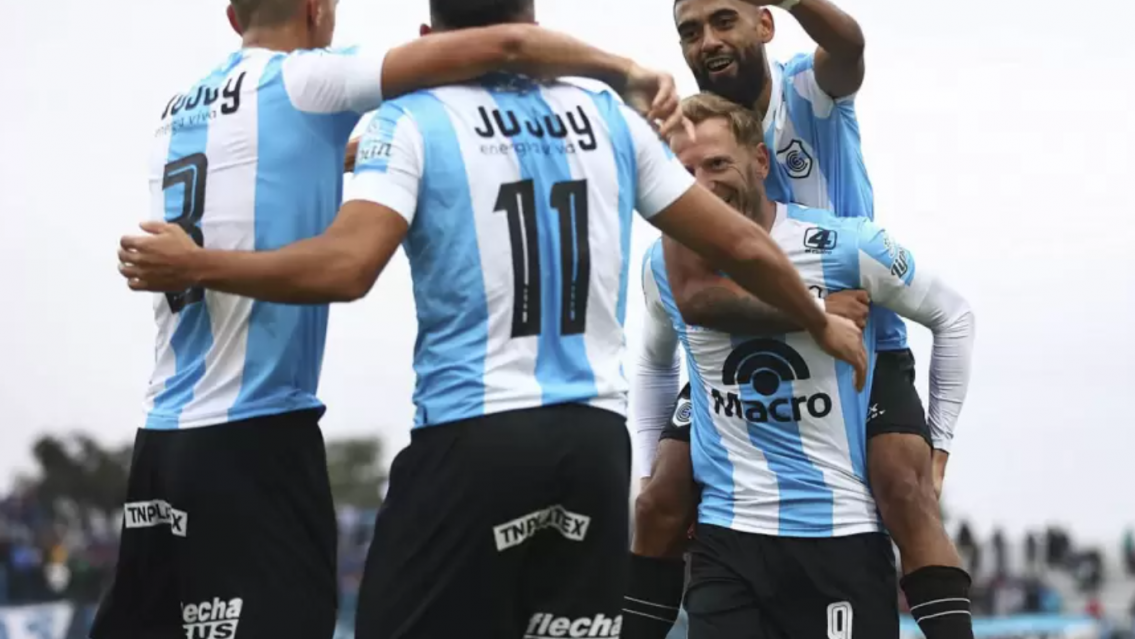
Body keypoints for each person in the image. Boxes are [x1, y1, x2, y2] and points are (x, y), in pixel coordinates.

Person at [117, 1, 870, 636]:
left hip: (471, 440)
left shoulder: (407, 119)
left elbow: (348, 266)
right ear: (535, 19)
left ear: (429, 40)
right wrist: (816, 318)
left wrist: (199, 262)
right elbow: (739, 240)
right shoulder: (608, 117)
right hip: (591, 449)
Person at [625, 2, 974, 638]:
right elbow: (677, 322)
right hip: (738, 339)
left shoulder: (804, 90)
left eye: (723, 20)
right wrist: (809, 312)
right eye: (690, 31)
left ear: (764, 24)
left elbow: (847, 46)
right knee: (660, 499)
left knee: (904, 484)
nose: (708, 41)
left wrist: (941, 441)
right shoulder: (690, 133)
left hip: (861, 337)